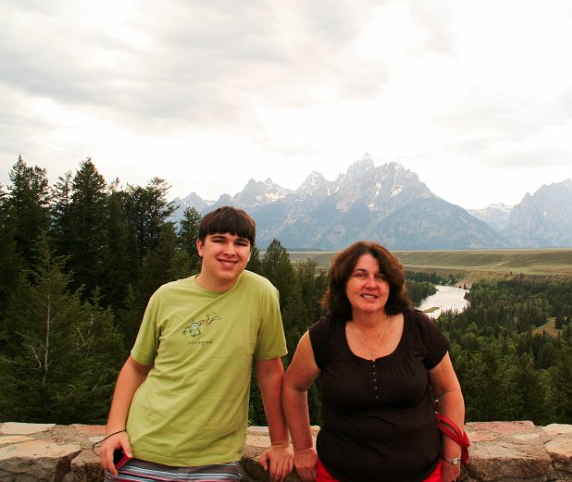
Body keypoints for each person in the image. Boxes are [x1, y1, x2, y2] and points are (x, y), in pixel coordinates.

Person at [99, 206, 294, 482]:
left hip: (215, 458)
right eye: (219, 240)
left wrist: (279, 444)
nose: (230, 250)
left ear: (249, 252)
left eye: (241, 243)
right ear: (200, 246)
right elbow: (136, 367)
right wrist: (115, 430)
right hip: (142, 449)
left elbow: (270, 372)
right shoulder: (166, 297)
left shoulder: (261, 293)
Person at [283, 241, 466, 482]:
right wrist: (304, 448)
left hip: (422, 474)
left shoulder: (419, 328)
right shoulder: (322, 336)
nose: (371, 284)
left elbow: (449, 390)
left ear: (391, 285)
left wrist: (452, 457)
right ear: (343, 282)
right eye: (360, 275)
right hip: (338, 475)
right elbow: (293, 387)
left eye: (381, 277)